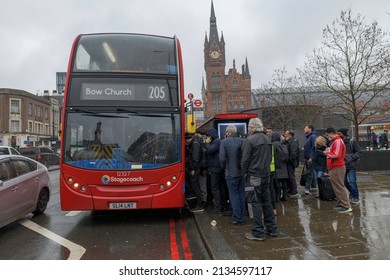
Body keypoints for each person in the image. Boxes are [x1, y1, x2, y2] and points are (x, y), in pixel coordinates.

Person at [241, 118, 278, 241]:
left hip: (253, 175)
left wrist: (243, 174)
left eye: (249, 127)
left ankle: (258, 232)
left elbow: (245, 160)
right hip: (266, 174)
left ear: (252, 128)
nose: (248, 129)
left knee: (254, 202)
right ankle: (272, 228)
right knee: (266, 201)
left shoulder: (250, 140)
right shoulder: (267, 139)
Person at [219, 125, 246, 225]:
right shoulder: (242, 141)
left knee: (233, 195)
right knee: (241, 194)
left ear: (228, 132)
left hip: (230, 172)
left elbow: (222, 158)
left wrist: (224, 168)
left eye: (226, 132)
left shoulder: (224, 142)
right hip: (241, 172)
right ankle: (242, 216)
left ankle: (238, 218)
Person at [324, 127, 352, 213]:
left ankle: (346, 205)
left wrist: (327, 153)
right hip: (335, 166)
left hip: (337, 166)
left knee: (339, 186)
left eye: (328, 135)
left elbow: (336, 155)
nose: (328, 137)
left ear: (331, 133)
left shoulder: (337, 141)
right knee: (337, 186)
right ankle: (341, 203)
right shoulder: (336, 141)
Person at [205, 128, 228, 214]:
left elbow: (210, 150)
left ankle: (218, 207)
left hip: (216, 169)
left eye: (208, 136)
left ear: (210, 136)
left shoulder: (217, 142)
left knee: (215, 187)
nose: (207, 138)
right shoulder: (216, 141)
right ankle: (223, 205)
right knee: (220, 187)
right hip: (217, 168)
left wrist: (207, 144)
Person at [337, 128, 361, 204]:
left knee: (352, 181)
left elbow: (359, 152)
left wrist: (350, 157)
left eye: (339, 133)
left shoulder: (352, 141)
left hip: (351, 165)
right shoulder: (338, 142)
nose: (338, 135)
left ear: (343, 134)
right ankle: (352, 192)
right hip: (342, 165)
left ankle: (356, 197)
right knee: (344, 182)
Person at [186, 132, 205, 212]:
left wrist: (193, 169)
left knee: (196, 186)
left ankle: (200, 205)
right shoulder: (194, 143)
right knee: (195, 185)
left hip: (195, 169)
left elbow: (195, 158)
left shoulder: (194, 144)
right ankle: (197, 201)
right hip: (194, 168)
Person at [284, 130, 299, 197]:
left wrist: (287, 159)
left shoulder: (293, 142)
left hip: (291, 162)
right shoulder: (289, 141)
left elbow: (293, 154)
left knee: (291, 176)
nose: (285, 135)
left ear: (290, 135)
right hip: (289, 162)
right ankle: (291, 189)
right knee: (289, 176)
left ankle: (294, 191)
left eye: (286, 134)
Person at [303, 124, 318, 195]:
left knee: (309, 173)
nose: (304, 129)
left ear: (310, 129)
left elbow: (314, 147)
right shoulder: (308, 137)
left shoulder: (313, 137)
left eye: (305, 128)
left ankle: (307, 188)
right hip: (307, 158)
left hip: (310, 159)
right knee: (311, 173)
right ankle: (313, 186)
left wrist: (311, 157)